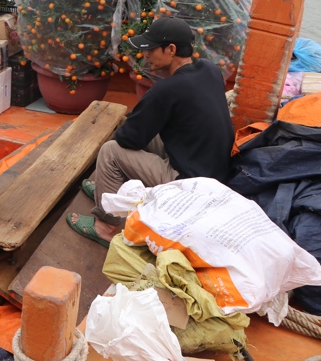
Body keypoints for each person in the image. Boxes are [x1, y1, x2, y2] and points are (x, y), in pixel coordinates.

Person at [67, 17, 234, 247]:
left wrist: (133, 126)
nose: (145, 54)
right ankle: (110, 190)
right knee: (146, 129)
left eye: (151, 49)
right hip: (214, 173)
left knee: (111, 151)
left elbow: (127, 138)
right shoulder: (209, 69)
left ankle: (106, 227)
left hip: (189, 185)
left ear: (171, 49)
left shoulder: (167, 89)